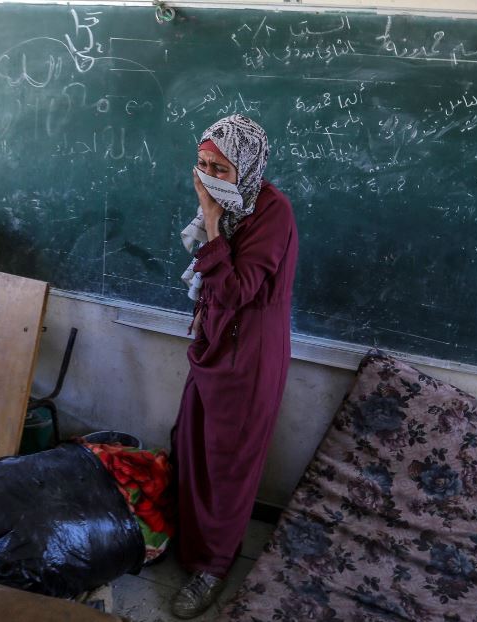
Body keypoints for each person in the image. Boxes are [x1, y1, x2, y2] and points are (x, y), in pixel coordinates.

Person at [170, 114, 298, 619]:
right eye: (201, 165)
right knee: (191, 444)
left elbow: (235, 290)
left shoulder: (272, 211)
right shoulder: (229, 201)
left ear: (245, 167)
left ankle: (213, 567)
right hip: (215, 342)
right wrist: (213, 211)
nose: (207, 177)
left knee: (229, 463)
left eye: (219, 168)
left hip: (250, 353)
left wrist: (212, 219)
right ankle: (184, 543)